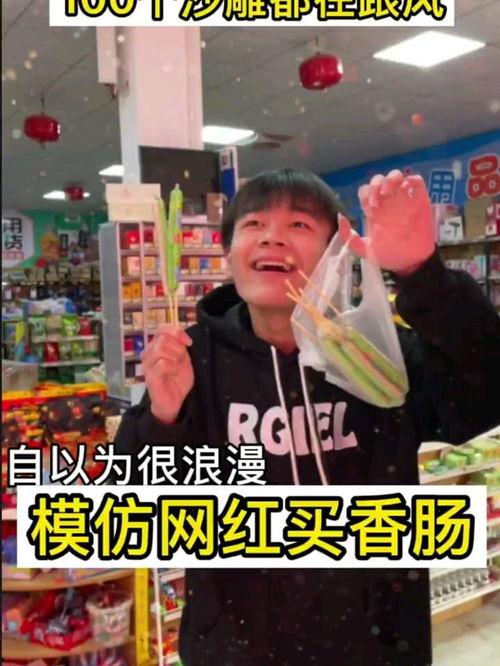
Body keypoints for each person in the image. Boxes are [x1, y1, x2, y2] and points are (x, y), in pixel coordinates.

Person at [115, 169, 500, 666]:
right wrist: (163, 417)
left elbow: (485, 396)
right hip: (233, 648)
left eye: (298, 224)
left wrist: (423, 275)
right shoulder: (191, 360)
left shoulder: (380, 354)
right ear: (228, 252)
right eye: (253, 223)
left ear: (335, 251)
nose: (272, 236)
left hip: (376, 647)